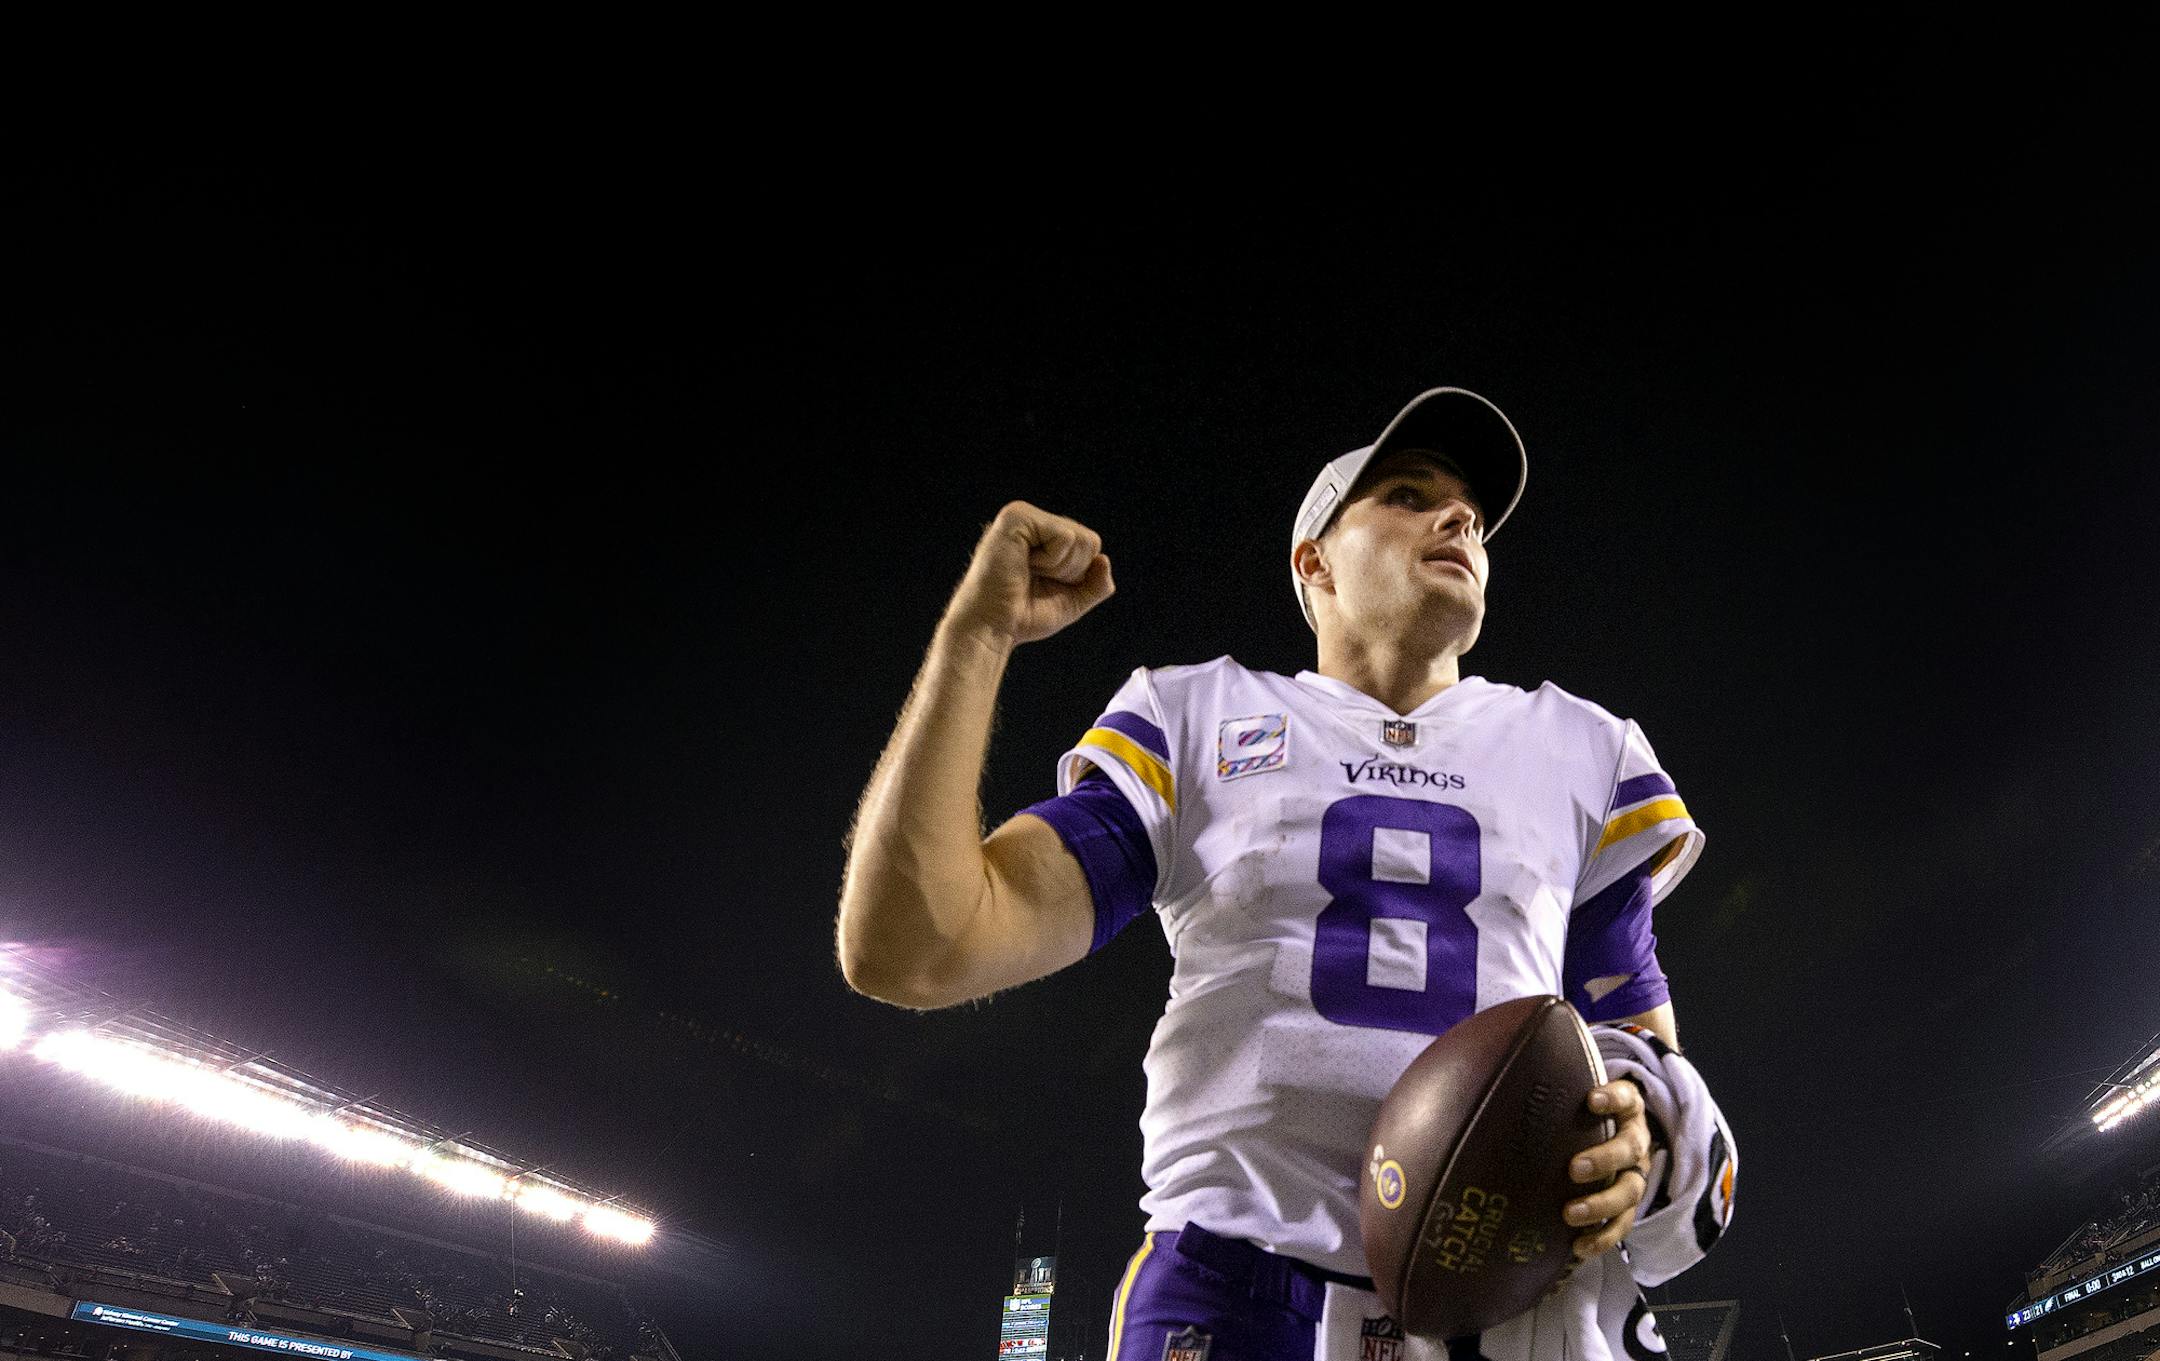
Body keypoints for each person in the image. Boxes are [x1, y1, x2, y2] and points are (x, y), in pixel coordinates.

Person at [838, 389, 1737, 1361]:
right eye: (1406, 493)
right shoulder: (1197, 715)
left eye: (1471, 511)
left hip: (1506, 1300)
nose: (1459, 518)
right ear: (1314, 561)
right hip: (1239, 1286)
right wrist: (975, 639)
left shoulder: (1582, 747)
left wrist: (1636, 1138)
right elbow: (914, 948)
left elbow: (1637, 1050)